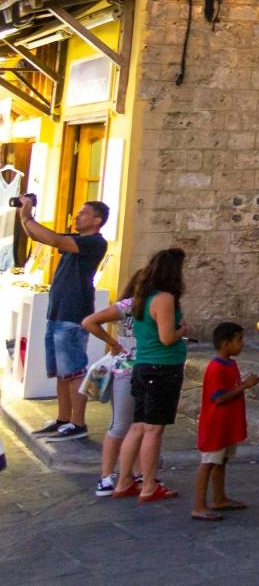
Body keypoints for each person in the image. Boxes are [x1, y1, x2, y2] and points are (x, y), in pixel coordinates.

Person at [16, 193, 110, 442]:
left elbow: (53, 237)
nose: (77, 215)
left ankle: (78, 423)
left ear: (98, 220)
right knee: (61, 372)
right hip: (58, 311)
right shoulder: (76, 239)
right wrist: (25, 215)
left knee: (74, 371)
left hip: (74, 313)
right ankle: (63, 419)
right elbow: (39, 236)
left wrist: (28, 215)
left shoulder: (95, 243)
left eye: (84, 213)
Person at [111, 246, 189, 501]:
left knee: (137, 427)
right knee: (154, 430)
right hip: (162, 366)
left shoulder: (141, 298)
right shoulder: (164, 298)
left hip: (143, 365)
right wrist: (182, 330)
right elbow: (167, 338)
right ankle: (148, 484)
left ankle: (124, 482)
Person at [192, 322, 257, 521]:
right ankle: (199, 505)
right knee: (209, 462)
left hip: (226, 423)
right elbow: (218, 398)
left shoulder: (229, 364)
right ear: (225, 344)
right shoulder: (216, 368)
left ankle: (219, 498)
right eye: (239, 340)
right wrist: (245, 386)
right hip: (216, 424)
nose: (242, 344)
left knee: (221, 461)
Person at [80, 283, 139, 496]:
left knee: (137, 424)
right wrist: (112, 342)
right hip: (125, 369)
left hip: (142, 369)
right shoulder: (128, 306)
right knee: (121, 424)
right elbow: (89, 321)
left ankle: (134, 471)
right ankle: (105, 476)